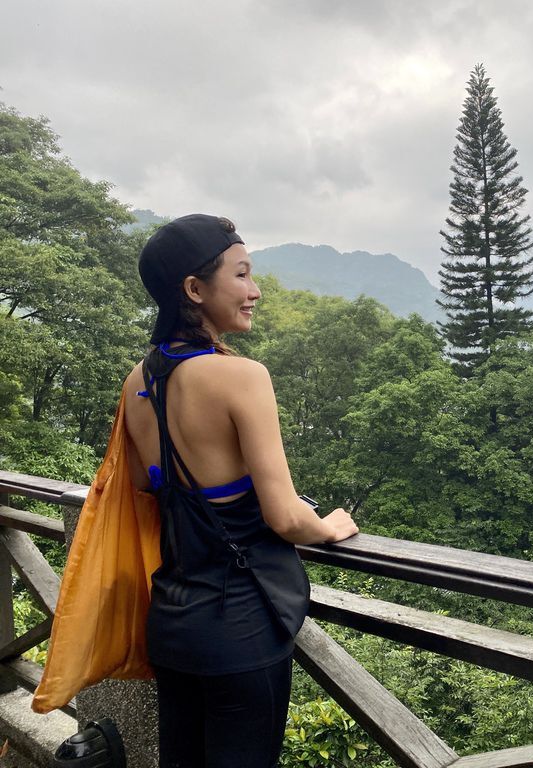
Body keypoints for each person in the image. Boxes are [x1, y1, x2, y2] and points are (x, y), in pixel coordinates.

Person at [122, 214, 358, 767]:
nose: (254, 291)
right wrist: (329, 526)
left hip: (173, 624)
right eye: (243, 275)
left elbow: (139, 485)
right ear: (194, 290)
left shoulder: (139, 380)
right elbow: (284, 517)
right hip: (240, 629)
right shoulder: (241, 376)